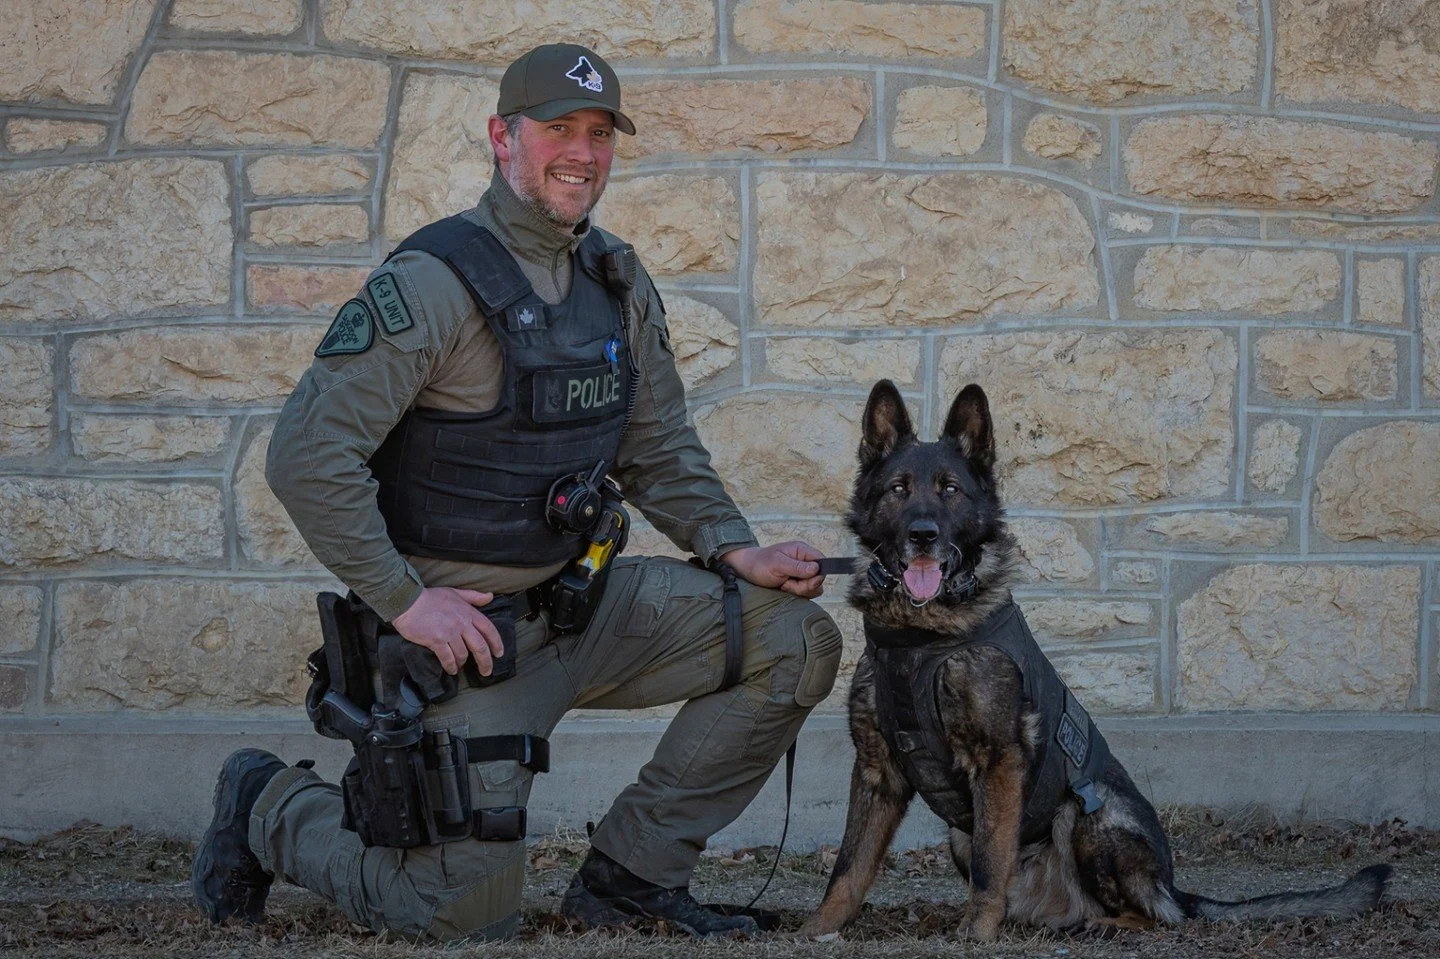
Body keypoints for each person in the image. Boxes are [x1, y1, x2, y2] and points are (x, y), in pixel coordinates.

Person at [189, 42, 843, 942]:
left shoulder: (614, 279)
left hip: (581, 610)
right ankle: (266, 801)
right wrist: (406, 600)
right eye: (558, 129)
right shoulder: (432, 284)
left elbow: (656, 443)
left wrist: (736, 547)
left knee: (793, 637)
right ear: (503, 136)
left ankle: (632, 878)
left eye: (600, 131)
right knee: (457, 914)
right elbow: (306, 456)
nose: (582, 151)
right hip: (465, 641)